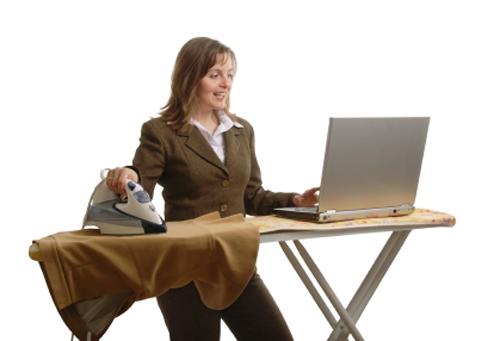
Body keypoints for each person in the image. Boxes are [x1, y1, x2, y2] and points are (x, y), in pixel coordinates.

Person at [106, 37, 319, 341]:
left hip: (235, 262)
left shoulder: (241, 130)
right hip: (183, 267)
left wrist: (295, 200)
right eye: (215, 74)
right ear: (190, 77)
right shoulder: (161, 132)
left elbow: (251, 196)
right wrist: (128, 177)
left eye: (230, 74)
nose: (226, 83)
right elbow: (142, 188)